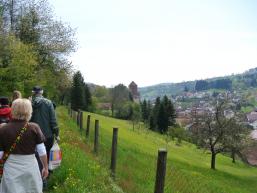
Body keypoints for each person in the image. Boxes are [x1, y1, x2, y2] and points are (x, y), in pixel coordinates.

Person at [0, 99, 48, 193]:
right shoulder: (34, 127)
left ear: (12, 110)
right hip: (30, 167)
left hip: (11, 168)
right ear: (29, 111)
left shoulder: (3, 129)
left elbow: (0, 153)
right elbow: (42, 151)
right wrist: (45, 167)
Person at [30, 86, 59, 174]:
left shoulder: (29, 103)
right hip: (47, 135)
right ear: (42, 92)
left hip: (32, 134)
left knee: (35, 155)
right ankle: (46, 173)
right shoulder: (48, 103)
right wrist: (57, 134)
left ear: (33, 92)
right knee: (46, 153)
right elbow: (53, 121)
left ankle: (36, 173)